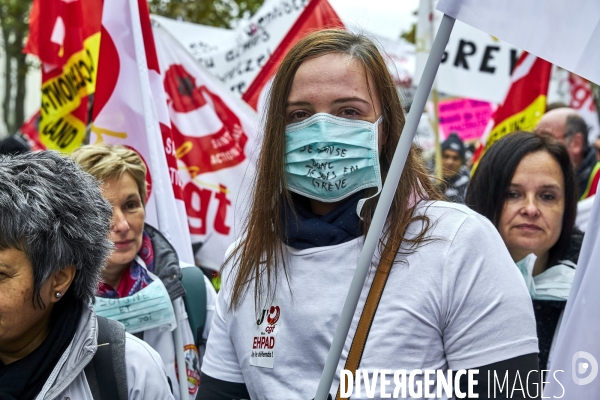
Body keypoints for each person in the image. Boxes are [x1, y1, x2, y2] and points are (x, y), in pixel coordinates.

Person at [198, 30, 540, 399]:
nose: (322, 131)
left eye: (349, 111)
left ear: (386, 127)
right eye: (300, 114)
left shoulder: (457, 243)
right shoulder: (245, 263)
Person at [0, 151, 174, 399]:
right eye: (109, 209)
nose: (121, 224)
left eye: (1, 275)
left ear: (59, 279)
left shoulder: (129, 370)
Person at [71, 144, 217, 400]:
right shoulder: (53, 298)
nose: (122, 224)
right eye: (102, 211)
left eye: (130, 205)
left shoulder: (191, 286)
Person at [466, 131, 581, 371]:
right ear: (486, 197)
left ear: (566, 208)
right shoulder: (452, 285)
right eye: (513, 194)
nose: (530, 209)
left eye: (547, 196)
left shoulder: (589, 289)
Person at [536, 107, 596, 198]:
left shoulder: (597, 179)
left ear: (575, 143)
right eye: (535, 138)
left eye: (546, 138)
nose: (536, 146)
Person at [439, 132, 470, 203]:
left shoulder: (469, 189)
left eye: (455, 158)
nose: (450, 162)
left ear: (462, 162)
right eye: (446, 156)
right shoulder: (428, 183)